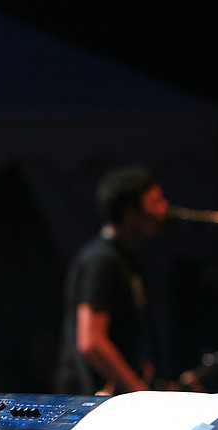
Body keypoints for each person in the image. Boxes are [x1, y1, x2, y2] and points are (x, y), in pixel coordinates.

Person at [55, 165, 170, 396]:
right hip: (91, 399)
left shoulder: (124, 257)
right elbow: (91, 342)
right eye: (155, 201)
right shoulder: (101, 260)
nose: (164, 209)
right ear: (130, 212)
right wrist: (138, 391)